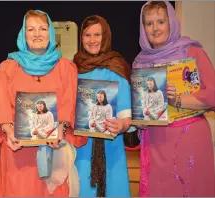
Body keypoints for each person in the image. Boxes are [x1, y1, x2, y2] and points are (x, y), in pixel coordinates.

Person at [0, 10, 87, 196]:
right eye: (31, 29)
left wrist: (61, 129)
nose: (37, 34)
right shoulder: (8, 67)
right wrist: (9, 131)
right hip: (16, 151)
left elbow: (70, 103)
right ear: (23, 34)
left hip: (54, 151)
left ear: (51, 33)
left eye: (42, 28)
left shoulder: (66, 68)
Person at [133, 1, 215, 196]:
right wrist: (140, 119)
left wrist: (178, 100)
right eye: (149, 23)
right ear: (143, 28)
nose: (155, 28)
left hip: (190, 140)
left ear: (171, 23)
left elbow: (212, 94)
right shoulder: (140, 62)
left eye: (160, 21)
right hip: (156, 144)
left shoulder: (192, 52)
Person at [73, 15, 132, 197]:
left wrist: (121, 125)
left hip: (111, 148)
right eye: (87, 35)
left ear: (105, 36)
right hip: (81, 149)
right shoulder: (72, 69)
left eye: (97, 35)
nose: (92, 40)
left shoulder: (117, 67)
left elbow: (126, 117)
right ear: (81, 38)